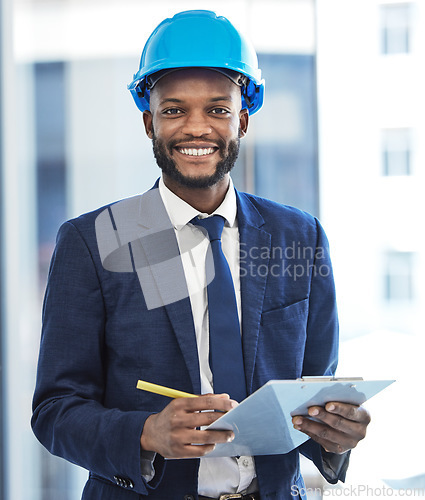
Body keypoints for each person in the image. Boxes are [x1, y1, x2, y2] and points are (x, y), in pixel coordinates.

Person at [31, 9, 371, 500]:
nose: (197, 128)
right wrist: (147, 434)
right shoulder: (97, 240)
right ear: (149, 122)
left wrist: (337, 438)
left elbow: (316, 396)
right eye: (173, 110)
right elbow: (56, 410)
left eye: (217, 109)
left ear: (244, 119)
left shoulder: (298, 236)